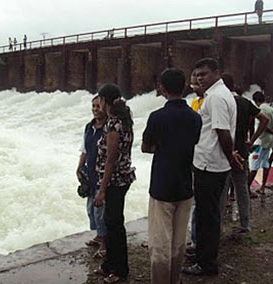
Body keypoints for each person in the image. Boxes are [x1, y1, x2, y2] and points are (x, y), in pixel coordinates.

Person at [142, 68, 202, 284]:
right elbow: (193, 143)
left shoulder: (157, 117)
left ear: (162, 88)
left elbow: (146, 147)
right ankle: (175, 280)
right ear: (185, 86)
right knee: (178, 242)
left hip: (161, 185)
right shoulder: (195, 118)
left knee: (160, 243)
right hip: (185, 184)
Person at [182, 58, 240, 276]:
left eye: (204, 74)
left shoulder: (215, 97)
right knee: (210, 214)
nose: (199, 79)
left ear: (217, 72)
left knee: (207, 217)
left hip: (210, 164)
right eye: (197, 75)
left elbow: (222, 132)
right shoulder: (221, 94)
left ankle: (206, 263)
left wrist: (231, 159)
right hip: (214, 162)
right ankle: (206, 258)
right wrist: (230, 156)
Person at [93, 83, 136, 283]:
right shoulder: (124, 120)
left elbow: (111, 158)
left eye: (99, 99)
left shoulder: (112, 124)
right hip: (123, 177)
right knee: (112, 223)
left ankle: (120, 270)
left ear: (104, 100)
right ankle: (110, 265)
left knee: (115, 226)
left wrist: (102, 189)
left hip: (114, 181)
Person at [219, 74, 268, 234]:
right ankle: (245, 225)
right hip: (242, 149)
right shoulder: (245, 102)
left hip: (224, 152)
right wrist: (251, 140)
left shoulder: (222, 101)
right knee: (242, 189)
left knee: (222, 191)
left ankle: (217, 227)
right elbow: (264, 119)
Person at [76, 96, 107, 258]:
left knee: (100, 211)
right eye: (93, 106)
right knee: (91, 209)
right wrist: (79, 167)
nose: (95, 109)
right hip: (90, 174)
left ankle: (105, 243)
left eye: (98, 106)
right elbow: (85, 149)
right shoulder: (89, 127)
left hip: (101, 175)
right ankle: (99, 235)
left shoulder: (108, 129)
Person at [186, 70, 204, 256]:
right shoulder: (194, 103)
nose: (195, 88)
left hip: (205, 157)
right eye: (193, 85)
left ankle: (198, 242)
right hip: (194, 155)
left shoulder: (211, 101)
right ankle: (195, 239)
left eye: (197, 84)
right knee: (195, 202)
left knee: (199, 203)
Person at [249, 91, 273, 195]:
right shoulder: (271, 109)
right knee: (265, 163)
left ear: (256, 101)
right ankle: (262, 187)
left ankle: (247, 188)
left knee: (254, 165)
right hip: (269, 141)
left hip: (260, 140)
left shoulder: (260, 110)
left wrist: (251, 140)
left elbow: (264, 126)